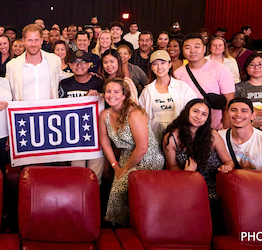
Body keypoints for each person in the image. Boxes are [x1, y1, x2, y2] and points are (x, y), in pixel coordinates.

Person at [99, 79, 165, 226]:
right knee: (117, 190)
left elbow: (142, 148)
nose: (111, 95)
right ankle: (120, 228)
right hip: (126, 157)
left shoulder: (134, 113)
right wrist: (116, 166)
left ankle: (133, 225)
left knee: (120, 190)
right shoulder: (104, 115)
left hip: (148, 157)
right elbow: (105, 143)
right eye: (108, 91)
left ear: (124, 95)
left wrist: (125, 169)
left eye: (116, 91)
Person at [163, 99, 234, 202]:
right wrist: (186, 175)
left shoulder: (213, 135)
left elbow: (229, 161)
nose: (198, 117)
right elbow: (172, 166)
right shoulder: (171, 138)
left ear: (207, 118)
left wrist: (226, 167)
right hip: (186, 187)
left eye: (204, 114)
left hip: (214, 188)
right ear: (187, 111)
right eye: (195, 111)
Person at [57, 50, 105, 181]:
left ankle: (95, 201)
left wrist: (100, 96)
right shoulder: (64, 84)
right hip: (74, 137)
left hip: (96, 136)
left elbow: (109, 105)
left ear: (89, 64)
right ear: (70, 65)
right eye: (75, 63)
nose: (79, 65)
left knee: (95, 178)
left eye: (83, 62)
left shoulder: (99, 83)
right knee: (77, 176)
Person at [174, 34, 235, 130]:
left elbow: (230, 101)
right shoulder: (178, 73)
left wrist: (226, 126)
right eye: (188, 48)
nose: (192, 51)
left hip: (215, 128)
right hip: (188, 128)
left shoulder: (220, 70)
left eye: (197, 47)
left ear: (204, 49)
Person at [139, 50, 198, 142]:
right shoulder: (147, 91)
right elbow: (142, 116)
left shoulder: (182, 86)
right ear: (151, 67)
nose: (159, 67)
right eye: (155, 64)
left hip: (180, 136)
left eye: (163, 63)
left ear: (170, 64)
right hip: (155, 137)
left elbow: (194, 108)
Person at [6, 24, 71, 101]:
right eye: (30, 40)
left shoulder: (54, 60)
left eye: (36, 40)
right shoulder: (12, 65)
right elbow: (4, 87)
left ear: (42, 40)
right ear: (23, 41)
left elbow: (64, 76)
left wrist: (87, 78)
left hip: (49, 111)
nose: (33, 44)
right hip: (23, 111)